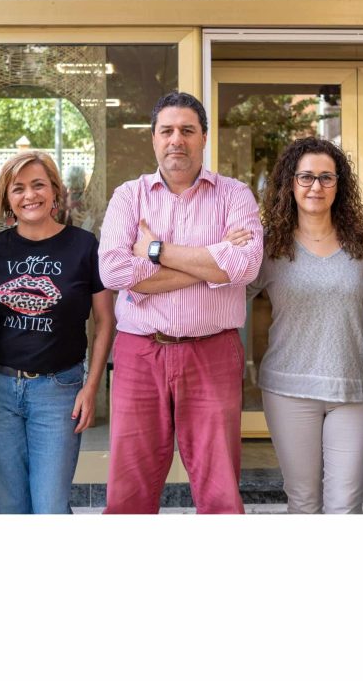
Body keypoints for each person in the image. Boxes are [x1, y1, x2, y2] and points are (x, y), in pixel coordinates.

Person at [98, 91, 263, 514]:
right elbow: (114, 273)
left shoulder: (234, 195)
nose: (177, 140)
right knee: (129, 488)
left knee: (219, 487)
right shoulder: (129, 196)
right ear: (153, 139)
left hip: (212, 352)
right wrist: (211, 260)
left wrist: (154, 252)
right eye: (167, 130)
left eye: (187, 130)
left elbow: (244, 267)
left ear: (204, 137)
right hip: (140, 353)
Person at [0, 151, 114, 514]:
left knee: (50, 507)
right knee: (9, 507)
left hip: (59, 391)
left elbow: (105, 322)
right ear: (6, 198)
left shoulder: (84, 246)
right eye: (18, 188)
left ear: (55, 191)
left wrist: (92, 386)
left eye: (38, 185)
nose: (29, 195)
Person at [249, 136, 363, 514]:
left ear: (339, 185)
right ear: (290, 183)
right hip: (288, 389)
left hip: (356, 389)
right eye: (306, 177)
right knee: (304, 502)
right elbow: (226, 299)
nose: (315, 186)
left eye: (327, 177)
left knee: (345, 506)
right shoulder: (269, 246)